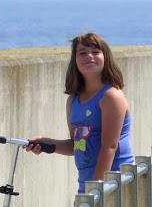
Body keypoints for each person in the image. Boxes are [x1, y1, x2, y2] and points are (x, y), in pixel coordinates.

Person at [24, 32, 135, 193]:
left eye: (95, 52)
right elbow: (76, 145)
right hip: (87, 187)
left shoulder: (111, 96)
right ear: (74, 60)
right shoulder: (72, 101)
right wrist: (45, 143)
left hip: (115, 187)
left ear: (106, 57)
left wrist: (96, 191)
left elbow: (109, 146)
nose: (89, 56)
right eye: (82, 53)